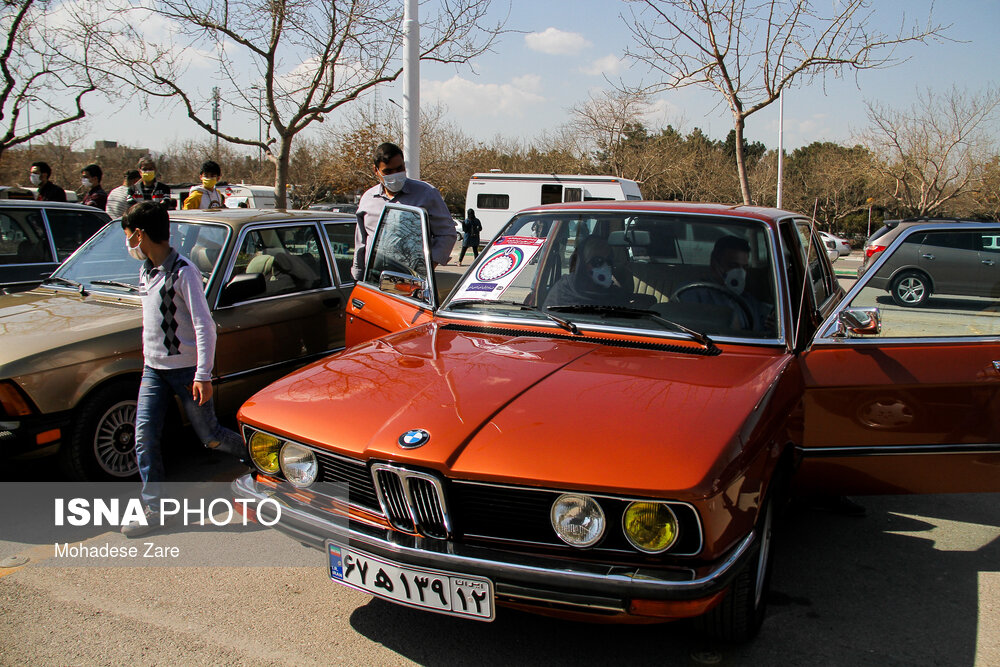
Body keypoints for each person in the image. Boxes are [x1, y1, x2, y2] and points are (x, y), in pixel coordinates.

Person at [119, 201, 245, 537]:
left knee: (211, 437)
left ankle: (261, 460)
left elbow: (205, 326)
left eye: (129, 234)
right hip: (153, 371)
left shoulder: (184, 271)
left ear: (140, 234)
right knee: (144, 437)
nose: (128, 242)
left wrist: (203, 374)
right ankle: (153, 509)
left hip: (187, 372)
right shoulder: (146, 270)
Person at [351, 142, 457, 280]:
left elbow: (447, 233)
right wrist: (358, 276)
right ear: (376, 170)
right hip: (374, 281)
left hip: (410, 282)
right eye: (388, 171)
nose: (395, 175)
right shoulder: (368, 199)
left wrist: (427, 268)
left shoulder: (426, 194)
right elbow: (361, 242)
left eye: (399, 169)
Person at [675, 235, 774, 332]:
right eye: (733, 265)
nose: (739, 272)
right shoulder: (692, 293)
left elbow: (763, 334)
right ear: (715, 264)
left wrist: (772, 327)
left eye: (744, 267)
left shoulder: (750, 302)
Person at [544, 235, 631, 309]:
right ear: (583, 264)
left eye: (608, 261)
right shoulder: (564, 291)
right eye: (597, 261)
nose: (604, 266)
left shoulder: (616, 295)